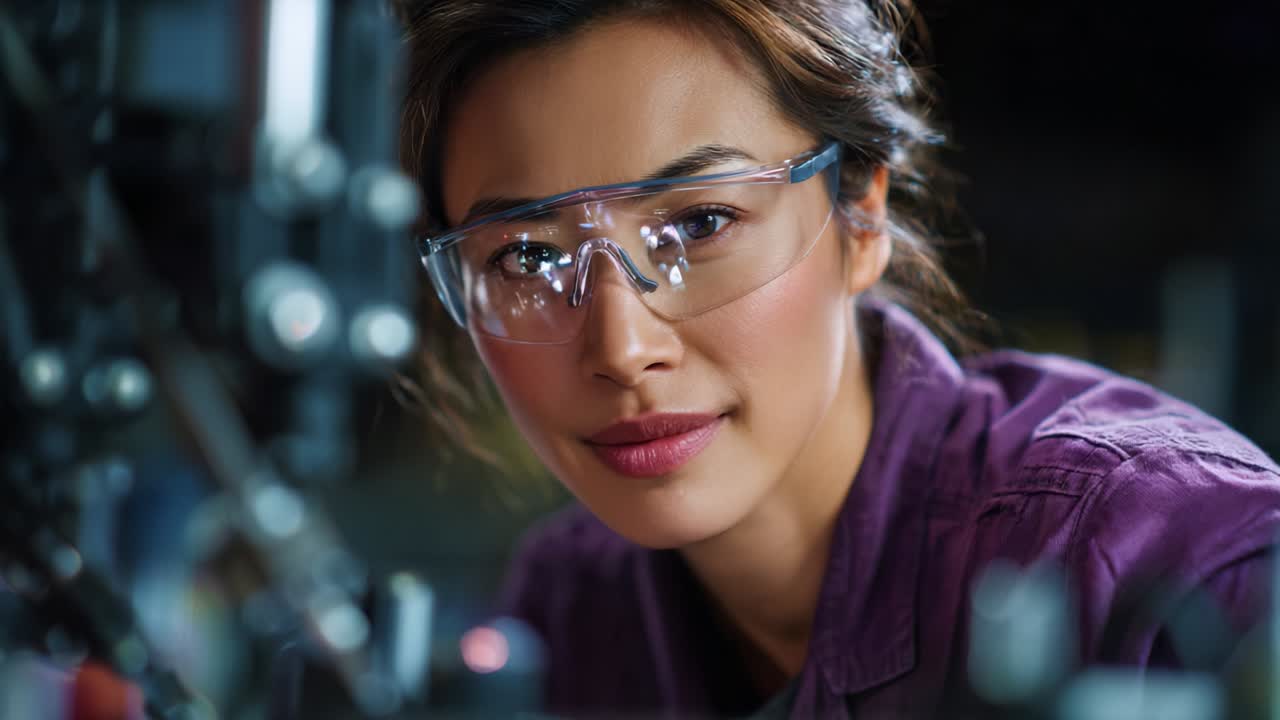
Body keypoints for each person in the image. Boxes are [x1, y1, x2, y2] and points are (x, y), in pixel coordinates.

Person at [395, 1, 1280, 717]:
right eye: (527, 257)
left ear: (861, 218)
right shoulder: (570, 614)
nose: (623, 349)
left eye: (702, 224)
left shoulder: (1168, 558)